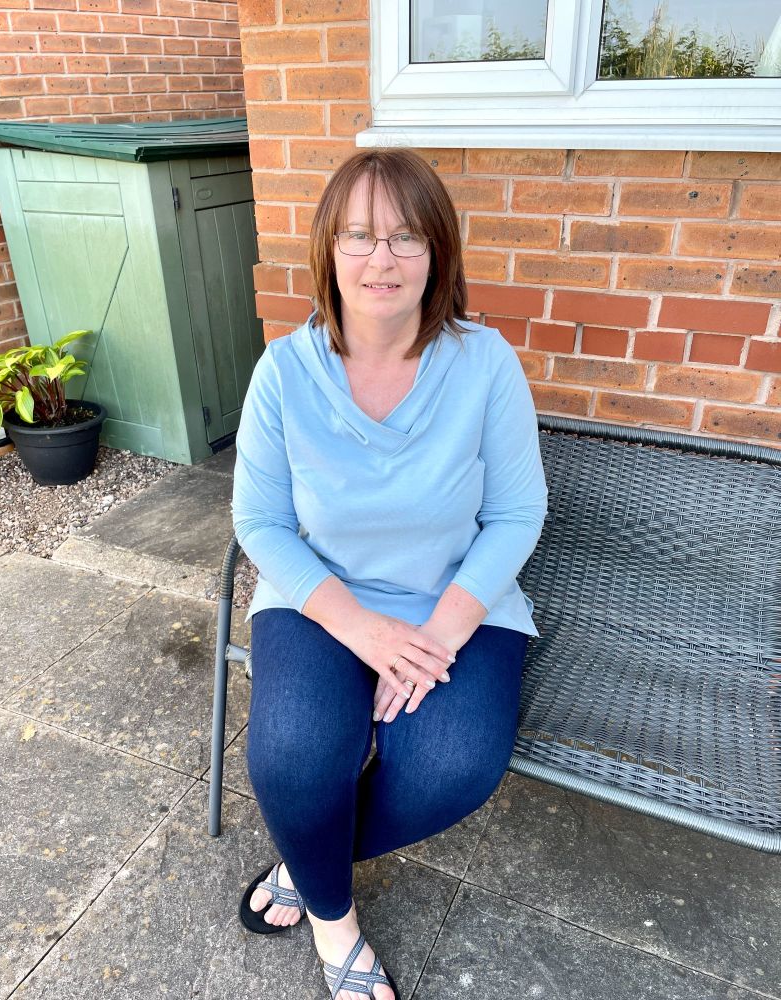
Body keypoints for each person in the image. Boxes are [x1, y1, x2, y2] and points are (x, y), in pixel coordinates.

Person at [231, 148, 548, 1000]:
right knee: (295, 754)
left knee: (454, 764)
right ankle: (337, 927)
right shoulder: (283, 374)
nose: (382, 259)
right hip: (323, 597)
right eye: (360, 236)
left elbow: (517, 515)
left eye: (407, 237)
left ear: (438, 253)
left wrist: (437, 637)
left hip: (455, 600)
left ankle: (306, 860)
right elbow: (260, 522)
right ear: (328, 252)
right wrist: (361, 629)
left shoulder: (485, 365)